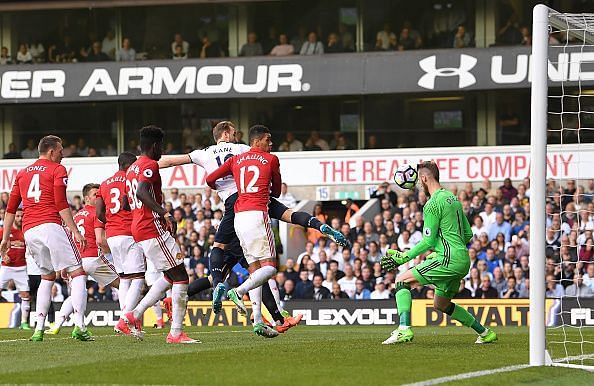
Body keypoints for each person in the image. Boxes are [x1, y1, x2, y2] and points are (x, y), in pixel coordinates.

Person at [158, 121, 346, 323]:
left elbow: (171, 162)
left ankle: (242, 303)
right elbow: (261, 163)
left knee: (230, 259)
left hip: (236, 209)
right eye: (234, 132)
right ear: (226, 134)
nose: (237, 135)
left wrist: (143, 164)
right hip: (252, 198)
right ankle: (276, 316)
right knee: (265, 263)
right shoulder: (243, 150)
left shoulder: (204, 153)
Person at [381, 161, 496, 344]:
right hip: (463, 260)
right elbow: (467, 234)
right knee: (441, 304)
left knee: (401, 281)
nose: (419, 185)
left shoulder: (432, 204)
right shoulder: (453, 198)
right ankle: (485, 333)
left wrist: (405, 257)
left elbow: (428, 240)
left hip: (448, 259)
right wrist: (440, 249)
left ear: (425, 178)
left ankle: (403, 329)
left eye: (419, 181)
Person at [0, 135, 90, 341]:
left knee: (47, 277)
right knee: (78, 273)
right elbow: (60, 203)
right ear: (51, 151)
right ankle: (80, 326)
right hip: (50, 225)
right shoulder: (57, 170)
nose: (63, 155)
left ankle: (39, 328)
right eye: (61, 151)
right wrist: (75, 230)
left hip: (30, 230)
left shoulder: (22, 173)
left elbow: (11, 208)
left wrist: (5, 237)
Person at [122, 125, 198, 344]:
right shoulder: (149, 165)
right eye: (161, 146)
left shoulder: (132, 168)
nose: (162, 151)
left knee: (169, 275)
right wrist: (164, 212)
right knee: (181, 277)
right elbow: (141, 191)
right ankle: (175, 333)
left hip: (140, 227)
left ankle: (134, 315)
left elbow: (128, 202)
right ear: (155, 146)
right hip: (151, 227)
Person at [206, 125, 281, 337]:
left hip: (237, 217)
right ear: (257, 141)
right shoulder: (271, 159)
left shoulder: (235, 160)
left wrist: (229, 186)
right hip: (257, 214)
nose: (271, 144)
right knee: (270, 268)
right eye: (268, 139)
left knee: (255, 270)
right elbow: (275, 191)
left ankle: (258, 321)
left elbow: (210, 180)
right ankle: (238, 291)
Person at [48, 183, 121, 335]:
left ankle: (58, 323)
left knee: (76, 293)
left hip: (76, 261)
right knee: (124, 283)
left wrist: (64, 265)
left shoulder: (76, 216)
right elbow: (101, 240)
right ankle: (128, 321)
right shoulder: (97, 213)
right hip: (93, 258)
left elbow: (67, 241)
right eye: (95, 195)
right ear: (87, 198)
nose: (98, 197)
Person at [96, 152, 151, 334]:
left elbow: (99, 213)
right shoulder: (130, 179)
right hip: (129, 232)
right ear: (129, 165)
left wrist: (112, 221)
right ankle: (125, 319)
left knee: (124, 279)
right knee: (138, 278)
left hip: (112, 235)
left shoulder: (104, 184)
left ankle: (123, 319)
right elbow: (129, 203)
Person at [0, 208, 31, 329]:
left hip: (21, 267)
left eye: (21, 216)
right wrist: (3, 255)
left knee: (25, 295)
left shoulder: (26, 231)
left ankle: (24, 322)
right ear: (14, 217)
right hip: (6, 267)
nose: (20, 218)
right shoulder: (6, 231)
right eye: (17, 216)